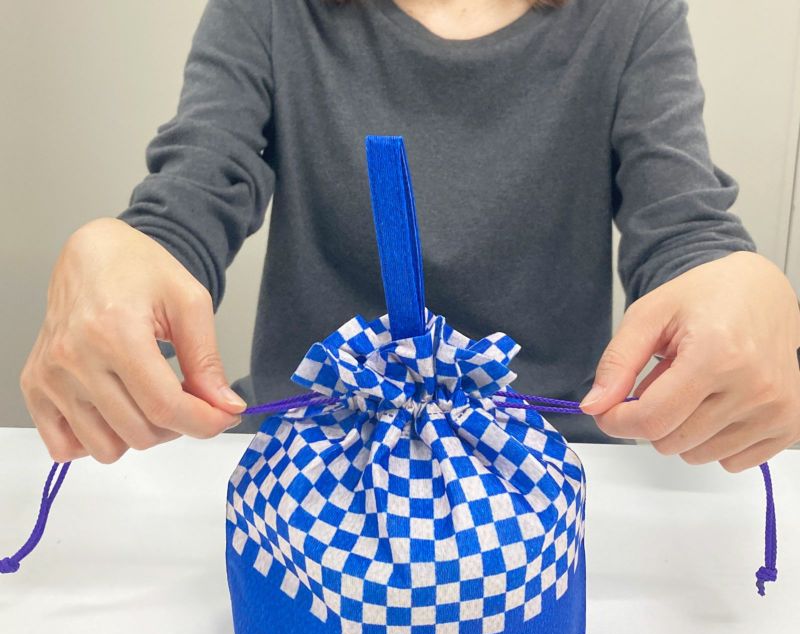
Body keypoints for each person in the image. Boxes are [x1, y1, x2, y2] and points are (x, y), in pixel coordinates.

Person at [20, 0, 800, 470]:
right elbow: (192, 191)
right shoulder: (274, 12)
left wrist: (737, 284)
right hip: (310, 466)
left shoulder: (631, 16)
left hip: (545, 472)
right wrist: (132, 250)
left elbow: (683, 224)